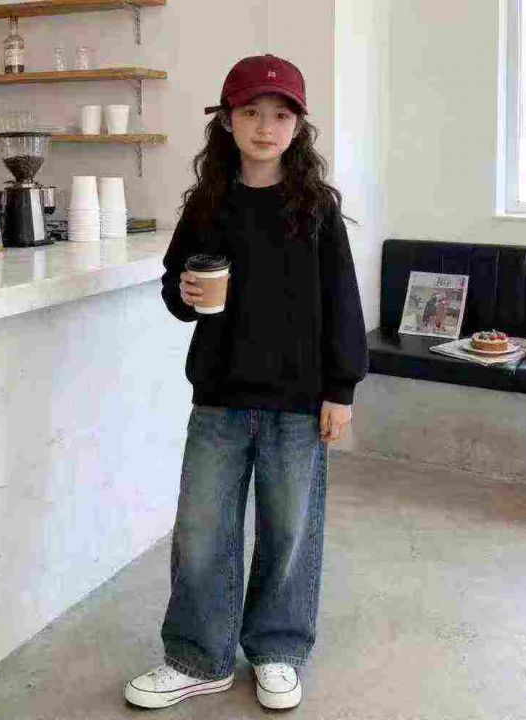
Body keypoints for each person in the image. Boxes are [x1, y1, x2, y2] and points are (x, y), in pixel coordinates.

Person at [124, 53, 368, 712]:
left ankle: (277, 650)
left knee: (290, 534)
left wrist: (341, 390)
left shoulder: (316, 209)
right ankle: (197, 657)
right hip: (219, 398)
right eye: (252, 112)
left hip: (298, 404)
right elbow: (177, 290)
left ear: (298, 127)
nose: (265, 127)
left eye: (281, 115)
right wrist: (183, 292)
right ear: (227, 121)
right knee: (200, 533)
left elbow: (343, 302)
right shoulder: (208, 205)